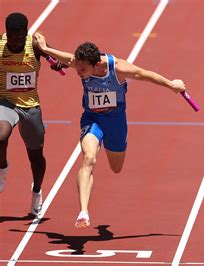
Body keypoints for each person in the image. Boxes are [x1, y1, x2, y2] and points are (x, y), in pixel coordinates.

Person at [33, 33, 187, 228]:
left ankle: (87, 207)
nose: (77, 71)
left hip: (115, 121)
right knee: (88, 158)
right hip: (92, 119)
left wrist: (172, 84)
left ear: (96, 65)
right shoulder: (80, 63)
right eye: (77, 67)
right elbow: (67, 58)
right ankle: (83, 212)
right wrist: (45, 49)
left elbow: (146, 75)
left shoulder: (119, 68)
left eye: (82, 69)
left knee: (116, 168)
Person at [0, 13, 64, 216]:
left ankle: (36, 192)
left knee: (36, 156)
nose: (15, 42)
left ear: (25, 34)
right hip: (5, 101)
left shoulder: (35, 44)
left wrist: (57, 63)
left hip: (30, 106)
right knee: (0, 137)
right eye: (11, 37)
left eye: (19, 37)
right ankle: (2, 169)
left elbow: (57, 58)